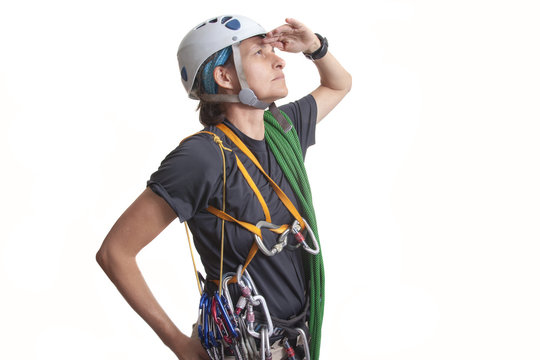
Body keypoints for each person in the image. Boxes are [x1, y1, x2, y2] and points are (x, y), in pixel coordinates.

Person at [96, 15, 351, 360]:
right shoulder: (202, 156)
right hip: (241, 346)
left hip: (292, 343)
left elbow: (339, 84)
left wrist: (315, 47)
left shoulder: (283, 131)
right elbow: (116, 253)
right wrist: (180, 346)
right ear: (224, 76)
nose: (279, 59)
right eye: (260, 53)